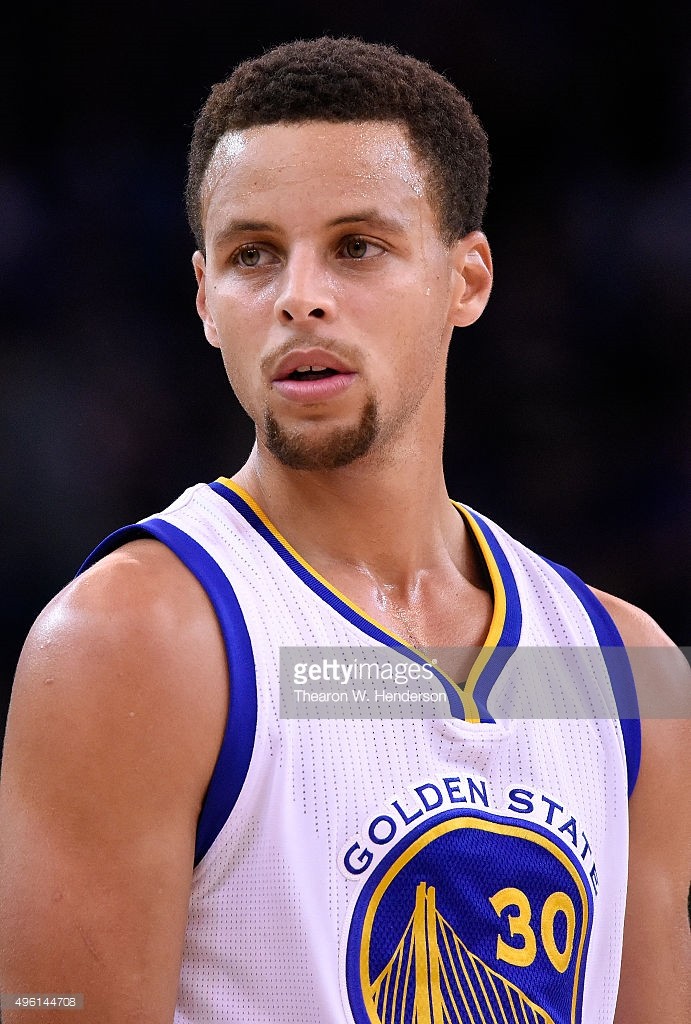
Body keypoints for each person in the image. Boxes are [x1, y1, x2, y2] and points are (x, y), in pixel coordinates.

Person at [0, 35, 688, 1024]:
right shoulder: (127, 642)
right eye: (252, 255)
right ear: (204, 299)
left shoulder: (625, 668)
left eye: (356, 246)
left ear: (467, 279)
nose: (299, 296)